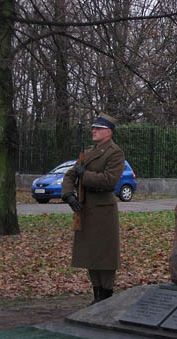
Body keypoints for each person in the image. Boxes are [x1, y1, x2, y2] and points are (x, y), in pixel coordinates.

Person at [62, 112, 125, 304]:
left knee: (104, 256)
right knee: (91, 254)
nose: (94, 131)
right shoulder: (89, 152)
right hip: (86, 209)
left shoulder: (115, 153)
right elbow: (70, 175)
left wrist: (85, 175)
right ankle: (96, 295)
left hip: (103, 211)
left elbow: (109, 181)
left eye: (98, 128)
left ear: (109, 132)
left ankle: (105, 296)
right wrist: (68, 195)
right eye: (93, 128)